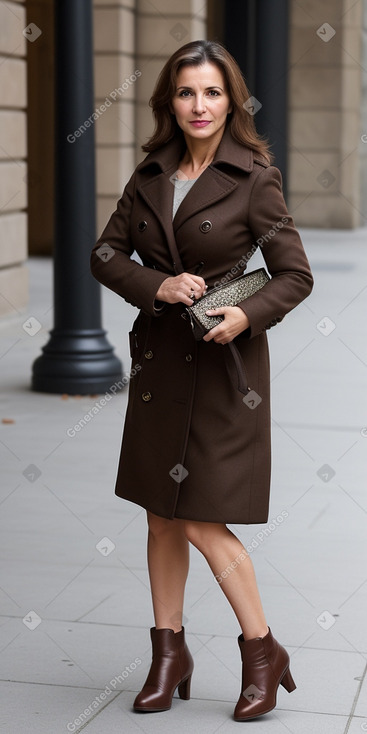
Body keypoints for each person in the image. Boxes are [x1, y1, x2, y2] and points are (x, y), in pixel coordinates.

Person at [90, 39, 313, 722]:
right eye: (186, 92)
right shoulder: (151, 170)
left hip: (223, 371)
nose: (199, 104)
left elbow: (294, 274)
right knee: (161, 515)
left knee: (203, 520)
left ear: (231, 100)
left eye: (212, 91)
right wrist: (158, 284)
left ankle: (260, 650)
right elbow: (105, 252)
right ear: (170, 100)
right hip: (161, 362)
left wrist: (244, 314)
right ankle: (168, 654)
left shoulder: (254, 178)